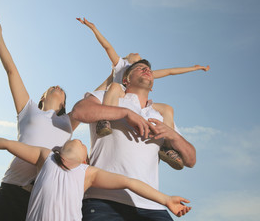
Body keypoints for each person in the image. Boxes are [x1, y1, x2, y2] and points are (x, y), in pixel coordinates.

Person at [0, 134, 192, 221]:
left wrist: (166, 199)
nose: (77, 140)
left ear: (86, 159)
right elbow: (6, 143)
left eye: (82, 143)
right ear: (60, 149)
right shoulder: (45, 157)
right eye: (72, 140)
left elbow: (130, 182)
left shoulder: (88, 173)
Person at [0, 12, 79, 221]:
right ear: (42, 97)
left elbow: (93, 99)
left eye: (62, 90)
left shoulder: (68, 121)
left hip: (44, 194)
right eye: (52, 87)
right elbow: (12, 71)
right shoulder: (29, 109)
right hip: (12, 188)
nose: (58, 87)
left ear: (63, 104)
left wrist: (119, 69)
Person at [71, 59, 196, 220]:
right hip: (104, 200)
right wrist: (125, 113)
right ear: (126, 80)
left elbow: (191, 160)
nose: (146, 70)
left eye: (149, 69)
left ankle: (167, 148)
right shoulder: (109, 96)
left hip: (153, 206)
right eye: (139, 68)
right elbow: (79, 112)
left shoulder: (160, 115)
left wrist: (173, 135)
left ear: (152, 86)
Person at [77, 17, 208, 170]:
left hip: (139, 100)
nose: (137, 54)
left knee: (167, 109)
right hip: (120, 94)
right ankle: (104, 119)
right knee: (114, 87)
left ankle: (166, 147)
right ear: (128, 60)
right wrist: (93, 28)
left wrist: (194, 68)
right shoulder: (121, 65)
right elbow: (107, 47)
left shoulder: (146, 71)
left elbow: (170, 72)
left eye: (147, 68)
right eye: (134, 54)